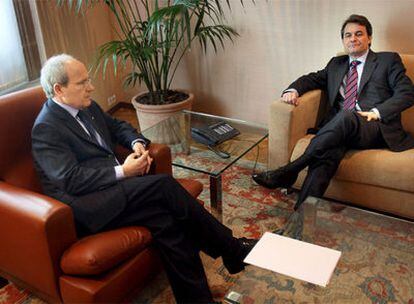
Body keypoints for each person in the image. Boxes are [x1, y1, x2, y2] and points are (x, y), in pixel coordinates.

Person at [32, 54, 256, 303]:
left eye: (89, 80)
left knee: (168, 222)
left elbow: (118, 127)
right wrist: (124, 171)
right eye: (82, 82)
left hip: (113, 190)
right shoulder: (47, 128)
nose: (91, 87)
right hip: (87, 206)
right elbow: (70, 180)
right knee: (163, 185)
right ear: (59, 89)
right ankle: (232, 248)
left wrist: (136, 143)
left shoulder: (86, 107)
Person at [253, 14, 414, 210]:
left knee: (345, 116)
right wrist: (292, 90)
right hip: (340, 129)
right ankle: (300, 221)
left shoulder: (387, 60)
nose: (352, 39)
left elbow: (407, 93)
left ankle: (292, 169)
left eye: (358, 34)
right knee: (325, 156)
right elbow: (311, 79)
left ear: (369, 38)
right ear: (343, 41)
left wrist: (377, 111)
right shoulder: (336, 64)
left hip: (374, 127)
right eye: (347, 35)